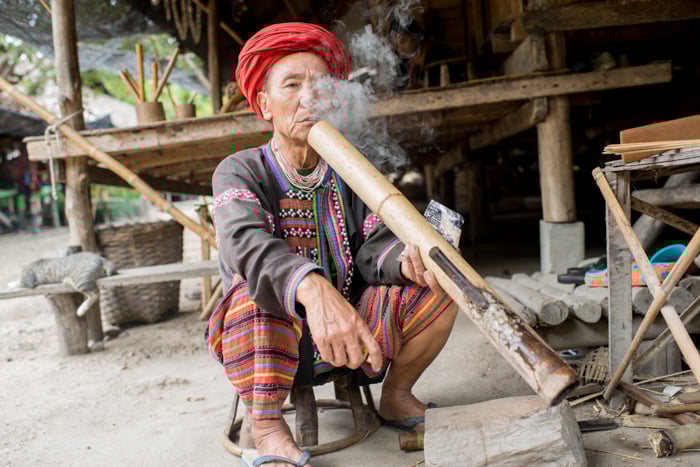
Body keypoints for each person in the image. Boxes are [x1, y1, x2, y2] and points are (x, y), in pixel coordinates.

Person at [207, 23, 457, 467]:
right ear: (264, 104)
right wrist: (312, 288)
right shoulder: (239, 170)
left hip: (354, 337)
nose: (309, 98)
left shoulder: (349, 169)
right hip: (269, 340)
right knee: (252, 288)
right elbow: (245, 245)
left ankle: (397, 396)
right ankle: (267, 427)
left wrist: (410, 260)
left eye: (321, 86)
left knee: (441, 285)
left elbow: (375, 246)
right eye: (292, 85)